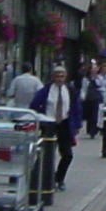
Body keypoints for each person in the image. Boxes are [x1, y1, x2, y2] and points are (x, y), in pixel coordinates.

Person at [30, 64, 73, 203]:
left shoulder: (70, 90)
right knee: (45, 154)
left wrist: (76, 124)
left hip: (65, 124)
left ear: (65, 77)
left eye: (62, 76)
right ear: (53, 77)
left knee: (67, 154)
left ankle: (59, 179)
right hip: (49, 124)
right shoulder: (46, 90)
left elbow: (75, 108)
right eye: (57, 76)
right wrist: (40, 119)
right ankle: (40, 179)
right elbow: (34, 105)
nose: (60, 79)